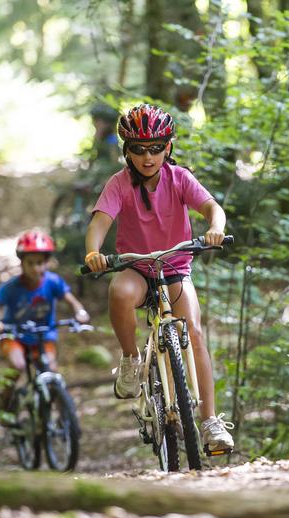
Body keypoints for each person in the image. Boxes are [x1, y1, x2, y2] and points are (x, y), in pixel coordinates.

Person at [83, 103, 234, 453]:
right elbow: (99, 223)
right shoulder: (119, 184)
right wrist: (94, 253)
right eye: (138, 149)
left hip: (176, 268)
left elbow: (213, 207)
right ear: (127, 151)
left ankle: (210, 422)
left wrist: (215, 228)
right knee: (119, 292)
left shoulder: (179, 178)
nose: (147, 157)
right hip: (137, 267)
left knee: (193, 331)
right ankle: (130, 359)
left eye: (155, 148)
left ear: (168, 148)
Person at [0, 229, 91, 412]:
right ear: (22, 263)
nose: (36, 268)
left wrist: (80, 312)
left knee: (51, 369)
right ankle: (6, 404)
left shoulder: (53, 282)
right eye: (30, 263)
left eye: (40, 263)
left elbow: (72, 300)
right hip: (14, 335)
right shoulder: (12, 287)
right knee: (18, 366)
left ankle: (57, 414)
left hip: (43, 336)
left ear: (47, 262)